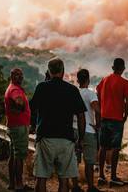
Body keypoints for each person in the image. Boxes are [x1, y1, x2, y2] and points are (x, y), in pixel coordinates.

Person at [30, 58, 87, 192]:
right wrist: (81, 139)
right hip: (66, 139)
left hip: (45, 138)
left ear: (49, 72)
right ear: (63, 71)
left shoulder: (41, 87)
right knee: (64, 180)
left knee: (41, 178)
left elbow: (31, 109)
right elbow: (81, 117)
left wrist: (33, 126)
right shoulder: (72, 90)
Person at [96, 58, 128, 186]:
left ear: (113, 67)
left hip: (104, 117)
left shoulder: (104, 80)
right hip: (117, 119)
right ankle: (113, 176)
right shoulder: (125, 83)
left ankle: (101, 176)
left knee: (103, 147)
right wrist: (125, 117)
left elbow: (98, 94)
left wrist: (102, 109)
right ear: (123, 68)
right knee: (115, 148)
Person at [72, 69, 102, 192]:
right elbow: (97, 110)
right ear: (88, 80)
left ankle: (75, 186)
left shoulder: (73, 93)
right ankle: (90, 187)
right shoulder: (91, 94)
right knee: (89, 161)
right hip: (89, 130)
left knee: (74, 160)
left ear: (77, 80)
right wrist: (98, 125)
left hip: (73, 129)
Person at [4, 68, 31, 191]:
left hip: (13, 125)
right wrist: (22, 106)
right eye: (17, 75)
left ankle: (12, 183)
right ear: (11, 76)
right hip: (19, 127)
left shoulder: (11, 87)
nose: (20, 77)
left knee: (13, 155)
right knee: (19, 156)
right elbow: (19, 101)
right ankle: (19, 184)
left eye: (21, 75)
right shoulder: (15, 89)